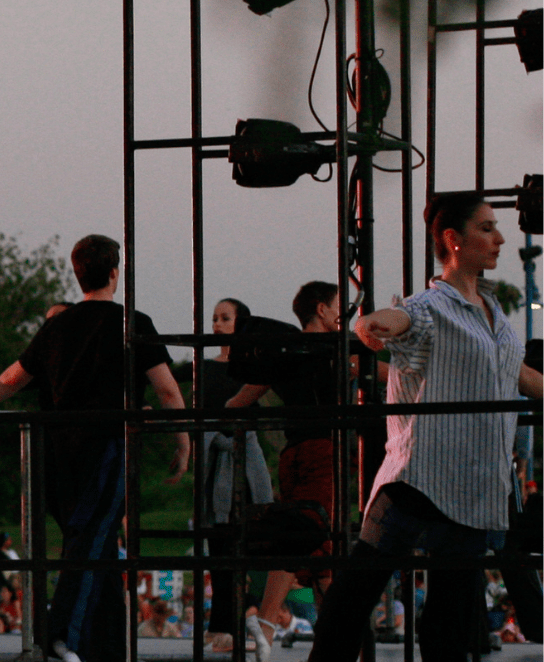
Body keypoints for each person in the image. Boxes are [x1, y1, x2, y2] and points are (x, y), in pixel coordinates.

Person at [309, 192, 543, 662]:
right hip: (420, 480)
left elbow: (520, 374)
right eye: (486, 228)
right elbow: (401, 319)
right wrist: (374, 323)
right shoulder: (432, 309)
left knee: (450, 619)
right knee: (355, 597)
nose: (499, 238)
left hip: (475, 485)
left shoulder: (494, 315)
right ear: (453, 240)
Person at [0, 233, 191, 662]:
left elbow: (15, 377)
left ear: (76, 272)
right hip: (108, 444)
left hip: (60, 450)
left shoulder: (57, 326)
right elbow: (167, 390)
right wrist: (182, 439)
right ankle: (62, 635)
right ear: (115, 273)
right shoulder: (132, 322)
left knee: (92, 542)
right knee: (89, 539)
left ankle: (105, 643)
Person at [221, 281, 343, 644]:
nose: (343, 315)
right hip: (322, 449)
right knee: (305, 534)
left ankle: (336, 638)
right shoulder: (332, 352)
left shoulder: (282, 354)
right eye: (338, 307)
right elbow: (376, 374)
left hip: (292, 453)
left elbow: (236, 403)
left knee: (321, 549)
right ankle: (269, 623)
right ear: (321, 309)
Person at [195, 297, 272, 650]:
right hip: (215, 463)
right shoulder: (203, 366)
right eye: (214, 318)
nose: (217, 324)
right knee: (218, 545)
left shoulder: (253, 367)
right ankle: (222, 625)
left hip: (245, 459)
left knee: (249, 542)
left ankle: (244, 618)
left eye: (225, 318)